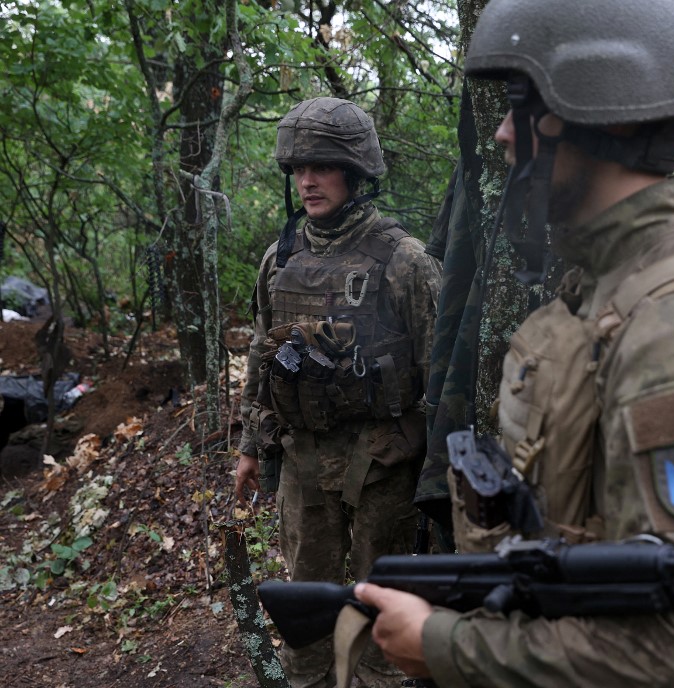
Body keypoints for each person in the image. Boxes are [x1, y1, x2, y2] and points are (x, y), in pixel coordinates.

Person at [353, 1, 674, 687]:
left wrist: (444, 645)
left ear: (608, 114)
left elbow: (664, 655)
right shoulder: (604, 292)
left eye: (524, 109)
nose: (505, 137)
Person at [234, 97, 442, 688]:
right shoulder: (281, 257)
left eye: (321, 167)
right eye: (298, 169)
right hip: (301, 459)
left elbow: (437, 372)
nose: (307, 180)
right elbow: (260, 354)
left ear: (354, 172)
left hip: (382, 463)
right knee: (306, 608)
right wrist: (251, 446)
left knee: (383, 609)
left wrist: (436, 472)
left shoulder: (403, 260)